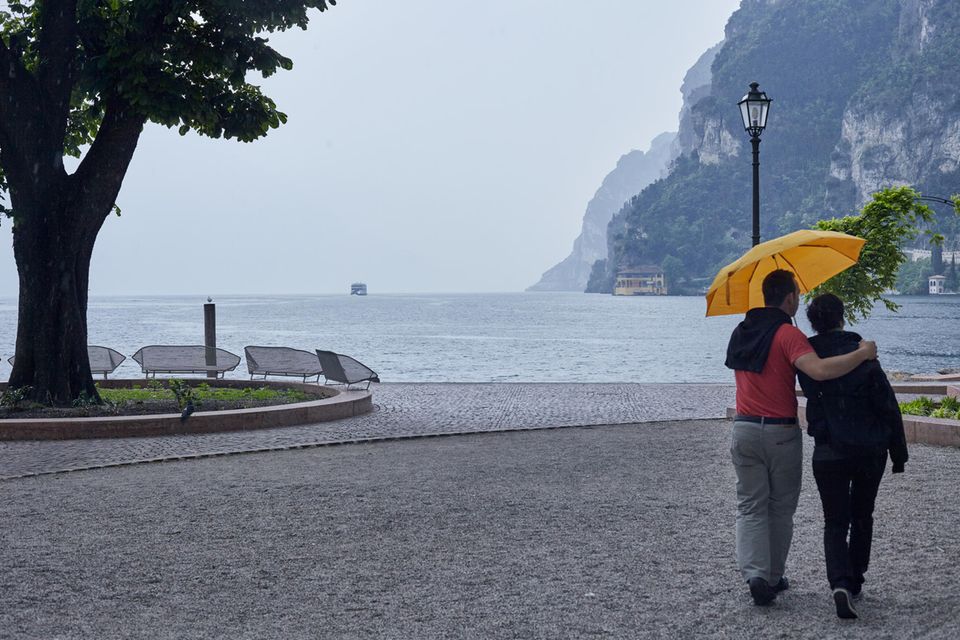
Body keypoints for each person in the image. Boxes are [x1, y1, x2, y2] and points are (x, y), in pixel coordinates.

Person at [725, 269, 877, 607]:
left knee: (750, 506)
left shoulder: (741, 331)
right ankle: (773, 577)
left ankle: (755, 575)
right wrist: (863, 353)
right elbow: (820, 371)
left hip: (744, 428)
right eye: (797, 293)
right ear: (790, 297)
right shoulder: (787, 334)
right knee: (780, 507)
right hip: (779, 432)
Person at [796, 293, 908, 620]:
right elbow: (888, 405)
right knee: (862, 516)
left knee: (834, 521)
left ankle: (840, 583)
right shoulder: (864, 355)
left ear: (813, 322)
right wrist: (898, 454)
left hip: (829, 450)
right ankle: (855, 578)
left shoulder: (807, 359)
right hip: (869, 449)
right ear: (842, 318)